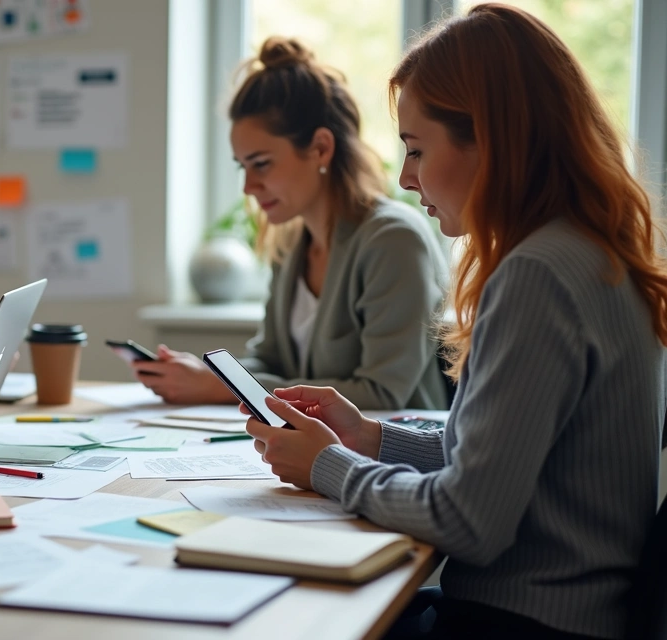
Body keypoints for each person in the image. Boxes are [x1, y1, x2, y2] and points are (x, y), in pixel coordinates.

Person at [248, 5, 667, 639]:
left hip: (525, 621)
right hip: (566, 611)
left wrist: (328, 466)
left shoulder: (539, 275)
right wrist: (368, 437)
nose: (406, 176)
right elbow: (499, 458)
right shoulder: (589, 252)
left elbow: (469, 517)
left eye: (417, 149)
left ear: (493, 142)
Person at [133, 37, 448, 410]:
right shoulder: (293, 245)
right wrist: (210, 375)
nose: (249, 186)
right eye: (243, 167)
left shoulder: (394, 240)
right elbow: (269, 362)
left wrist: (223, 387)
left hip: (391, 457)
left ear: (320, 148)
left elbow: (381, 394)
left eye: (261, 163)